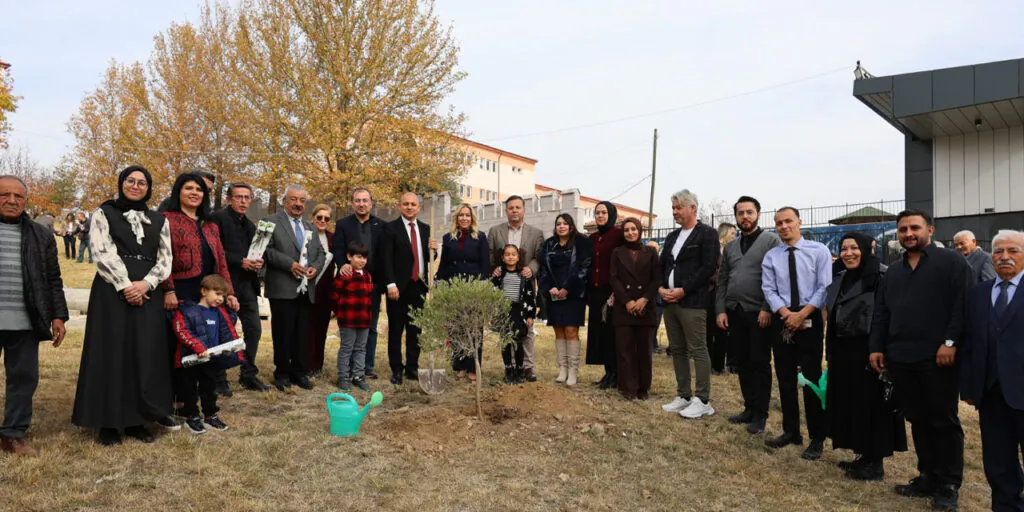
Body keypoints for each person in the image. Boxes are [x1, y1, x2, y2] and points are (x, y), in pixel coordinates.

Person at [869, 209, 969, 511]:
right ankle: (927, 476)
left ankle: (949, 484)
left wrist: (950, 342)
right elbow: (882, 312)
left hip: (938, 358)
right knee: (917, 418)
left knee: (943, 420)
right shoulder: (894, 271)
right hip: (901, 358)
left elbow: (962, 306)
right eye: (903, 229)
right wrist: (876, 347)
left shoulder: (952, 262)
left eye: (915, 228)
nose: (908, 234)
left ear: (930, 230)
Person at [72, 166, 174, 446]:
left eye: (142, 183)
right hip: (111, 291)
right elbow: (101, 251)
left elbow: (165, 258)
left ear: (149, 188)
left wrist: (146, 284)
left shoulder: (159, 220)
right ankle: (108, 422)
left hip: (147, 293)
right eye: (131, 181)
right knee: (111, 352)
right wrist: (125, 285)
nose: (136, 186)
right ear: (121, 183)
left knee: (144, 353)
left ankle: (137, 420)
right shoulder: (104, 213)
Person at [825, 232, 907, 481]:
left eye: (854, 248)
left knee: (872, 406)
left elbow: (889, 315)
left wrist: (882, 349)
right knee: (852, 405)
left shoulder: (882, 276)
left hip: (871, 351)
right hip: (844, 352)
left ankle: (875, 462)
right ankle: (863, 454)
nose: (848, 253)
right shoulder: (841, 277)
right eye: (844, 248)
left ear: (865, 249)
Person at [0, 175, 69, 456]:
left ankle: (12, 434)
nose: (12, 200)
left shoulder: (40, 235)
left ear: (25, 201)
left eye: (18, 196)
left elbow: (53, 279)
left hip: (25, 320)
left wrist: (58, 316)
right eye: (5, 194)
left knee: (24, 378)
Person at [960, 229, 1024, 512]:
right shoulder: (978, 293)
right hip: (991, 393)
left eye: (1013, 251)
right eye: (998, 251)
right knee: (998, 462)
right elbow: (969, 342)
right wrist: (969, 386)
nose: (1004, 257)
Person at [761, 207, 832, 459]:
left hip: (809, 315)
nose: (783, 226)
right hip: (782, 319)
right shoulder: (771, 256)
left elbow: (824, 286)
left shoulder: (819, 251)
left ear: (799, 222)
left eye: (788, 221)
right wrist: (785, 314)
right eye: (779, 223)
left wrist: (802, 314)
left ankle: (817, 437)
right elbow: (768, 289)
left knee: (811, 379)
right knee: (785, 377)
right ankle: (791, 431)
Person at [162, 173, 239, 399]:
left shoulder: (210, 225)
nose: (194, 193)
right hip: (179, 291)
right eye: (189, 188)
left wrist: (229, 293)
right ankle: (176, 397)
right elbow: (162, 258)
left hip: (205, 292)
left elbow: (221, 261)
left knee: (204, 342)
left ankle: (199, 394)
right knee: (178, 343)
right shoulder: (166, 220)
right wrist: (168, 289)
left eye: (199, 189)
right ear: (178, 191)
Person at [716, 196, 780, 435]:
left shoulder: (771, 241)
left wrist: (767, 308)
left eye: (749, 212)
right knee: (741, 361)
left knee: (759, 362)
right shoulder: (731, 247)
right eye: (740, 213)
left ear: (758, 214)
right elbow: (722, 280)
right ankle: (749, 408)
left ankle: (761, 415)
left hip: (759, 313)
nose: (745, 217)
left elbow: (777, 278)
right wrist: (720, 310)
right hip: (735, 311)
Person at [659, 189, 719, 419]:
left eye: (678, 208)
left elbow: (708, 267)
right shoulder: (672, 237)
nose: (674, 212)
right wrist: (660, 288)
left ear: (692, 208)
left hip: (692, 301)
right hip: (669, 301)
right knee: (677, 349)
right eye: (673, 208)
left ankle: (702, 399)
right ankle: (683, 395)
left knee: (697, 349)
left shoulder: (707, 234)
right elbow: (662, 265)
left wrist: (683, 290)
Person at [262, 184, 326, 391]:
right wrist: (289, 264)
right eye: (293, 199)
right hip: (282, 288)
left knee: (302, 334)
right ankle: (282, 373)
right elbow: (265, 251)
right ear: (284, 201)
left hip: (306, 290)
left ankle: (299, 372)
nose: (298, 204)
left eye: (302, 200)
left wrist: (315, 268)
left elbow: (321, 254)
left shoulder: (310, 227)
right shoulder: (269, 222)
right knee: (283, 333)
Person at [209, 182, 270, 391]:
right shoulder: (217, 219)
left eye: (247, 197)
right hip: (224, 285)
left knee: (254, 330)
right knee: (223, 332)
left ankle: (248, 374)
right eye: (239, 197)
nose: (243, 201)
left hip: (248, 286)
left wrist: (258, 262)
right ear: (229, 199)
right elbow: (214, 251)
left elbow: (257, 253)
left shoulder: (250, 224)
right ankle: (219, 379)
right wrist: (240, 261)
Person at [169, 275, 241, 434]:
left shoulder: (219, 313)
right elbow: (181, 330)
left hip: (210, 360)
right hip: (190, 360)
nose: (220, 299)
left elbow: (227, 327)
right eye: (217, 293)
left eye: (223, 296)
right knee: (189, 389)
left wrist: (233, 312)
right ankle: (191, 416)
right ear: (203, 291)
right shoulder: (187, 310)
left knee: (209, 388)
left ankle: (210, 415)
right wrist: (197, 346)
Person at [381, 192, 437, 385]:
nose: (409, 207)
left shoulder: (425, 228)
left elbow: (427, 258)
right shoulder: (390, 228)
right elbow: (386, 259)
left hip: (418, 286)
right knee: (396, 330)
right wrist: (390, 283)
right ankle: (396, 369)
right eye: (405, 204)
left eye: (413, 204)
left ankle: (412, 367)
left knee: (415, 330)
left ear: (419, 207)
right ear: (399, 206)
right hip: (397, 288)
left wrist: (434, 251)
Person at [487, 195, 545, 382]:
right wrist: (495, 269)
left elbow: (538, 257)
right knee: (506, 330)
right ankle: (510, 367)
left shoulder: (536, 233)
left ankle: (527, 367)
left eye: (518, 207)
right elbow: (490, 256)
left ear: (524, 210)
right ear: (506, 211)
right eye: (511, 207)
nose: (514, 210)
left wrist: (531, 269)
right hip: (503, 288)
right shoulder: (495, 232)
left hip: (525, 287)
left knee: (526, 329)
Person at [332, 187, 386, 380]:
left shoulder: (381, 225)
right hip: (350, 284)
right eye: (357, 200)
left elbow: (384, 253)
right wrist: (343, 264)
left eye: (365, 201)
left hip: (372, 284)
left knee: (370, 327)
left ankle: (366, 367)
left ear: (371, 203)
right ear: (352, 203)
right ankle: (347, 368)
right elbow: (338, 248)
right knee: (349, 328)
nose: (361, 204)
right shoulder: (343, 224)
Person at [436, 203, 490, 380]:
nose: (464, 218)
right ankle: (459, 365)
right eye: (461, 215)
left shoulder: (480, 237)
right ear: (456, 218)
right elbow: (444, 263)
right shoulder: (447, 238)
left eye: (467, 215)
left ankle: (473, 367)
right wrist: (439, 280)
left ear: (472, 218)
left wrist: (483, 285)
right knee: (456, 328)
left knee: (474, 328)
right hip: (454, 287)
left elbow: (485, 264)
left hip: (473, 287)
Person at [538, 213, 592, 386]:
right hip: (554, 294)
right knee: (558, 330)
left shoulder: (581, 242)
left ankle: (573, 371)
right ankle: (562, 369)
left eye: (565, 223)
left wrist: (567, 288)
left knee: (571, 330)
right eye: (558, 223)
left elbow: (584, 268)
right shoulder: (549, 244)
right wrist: (550, 287)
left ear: (571, 226)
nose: (561, 226)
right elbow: (544, 269)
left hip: (573, 294)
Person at [609, 217, 659, 400]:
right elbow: (614, 278)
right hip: (624, 307)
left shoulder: (651, 252)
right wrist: (627, 301)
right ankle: (628, 387)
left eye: (633, 229)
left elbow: (656, 278)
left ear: (639, 231)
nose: (630, 233)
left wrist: (644, 299)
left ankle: (643, 388)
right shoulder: (617, 252)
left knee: (644, 350)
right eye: (626, 230)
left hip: (646, 306)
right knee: (625, 350)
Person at [584, 201, 623, 389]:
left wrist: (618, 291)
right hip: (596, 292)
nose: (600, 216)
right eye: (597, 212)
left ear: (611, 215)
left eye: (604, 212)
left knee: (611, 334)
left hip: (612, 293)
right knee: (599, 334)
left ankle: (616, 373)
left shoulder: (618, 235)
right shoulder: (593, 238)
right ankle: (608, 373)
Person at [330, 241, 374, 392]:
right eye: (358, 257)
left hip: (364, 320)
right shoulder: (344, 275)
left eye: (364, 258)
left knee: (361, 348)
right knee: (347, 348)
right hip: (348, 320)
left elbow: (369, 298)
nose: (362, 261)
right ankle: (343, 377)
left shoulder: (368, 276)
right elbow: (334, 296)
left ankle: (358, 376)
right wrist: (340, 311)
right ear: (349, 257)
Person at [491, 244, 536, 385]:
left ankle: (519, 370)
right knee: (506, 341)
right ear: (502, 257)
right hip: (504, 311)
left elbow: (530, 297)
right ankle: (508, 369)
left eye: (513, 254)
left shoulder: (523, 275)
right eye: (507, 254)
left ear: (518, 257)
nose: (510, 257)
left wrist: (530, 316)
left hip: (519, 312)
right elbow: (492, 293)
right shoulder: (499, 275)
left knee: (518, 341)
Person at [306, 204, 335, 376]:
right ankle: (306, 364)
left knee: (321, 327)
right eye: (319, 217)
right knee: (308, 328)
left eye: (326, 218)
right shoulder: (306, 234)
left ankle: (317, 365)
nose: (323, 221)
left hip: (326, 288)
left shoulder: (332, 238)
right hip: (308, 286)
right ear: (313, 217)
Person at [709, 222, 737, 375]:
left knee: (728, 331)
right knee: (716, 330)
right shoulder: (714, 251)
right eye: (732, 234)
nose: (734, 237)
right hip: (714, 294)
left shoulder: (734, 251)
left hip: (730, 294)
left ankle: (727, 363)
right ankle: (715, 364)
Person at [646, 240, 665, 354]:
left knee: (655, 323)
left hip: (658, 300)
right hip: (646, 299)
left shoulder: (661, 264)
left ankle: (653, 344)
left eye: (654, 249)